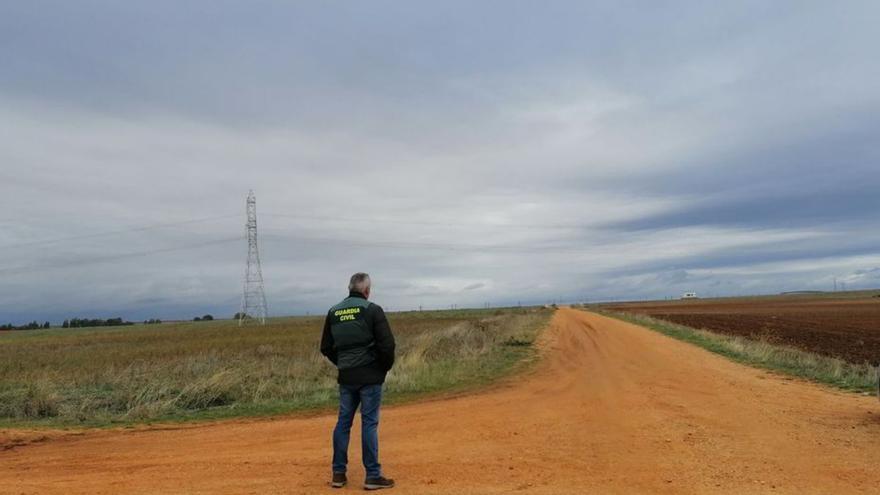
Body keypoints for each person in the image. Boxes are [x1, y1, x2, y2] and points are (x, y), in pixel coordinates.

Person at [320, 272, 396, 490]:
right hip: (370, 377)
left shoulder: (333, 312)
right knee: (369, 423)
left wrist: (342, 361)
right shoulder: (372, 310)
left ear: (350, 288)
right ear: (367, 290)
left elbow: (325, 347)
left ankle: (338, 474)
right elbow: (387, 345)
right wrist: (383, 367)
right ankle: (372, 475)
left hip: (347, 376)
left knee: (343, 423)